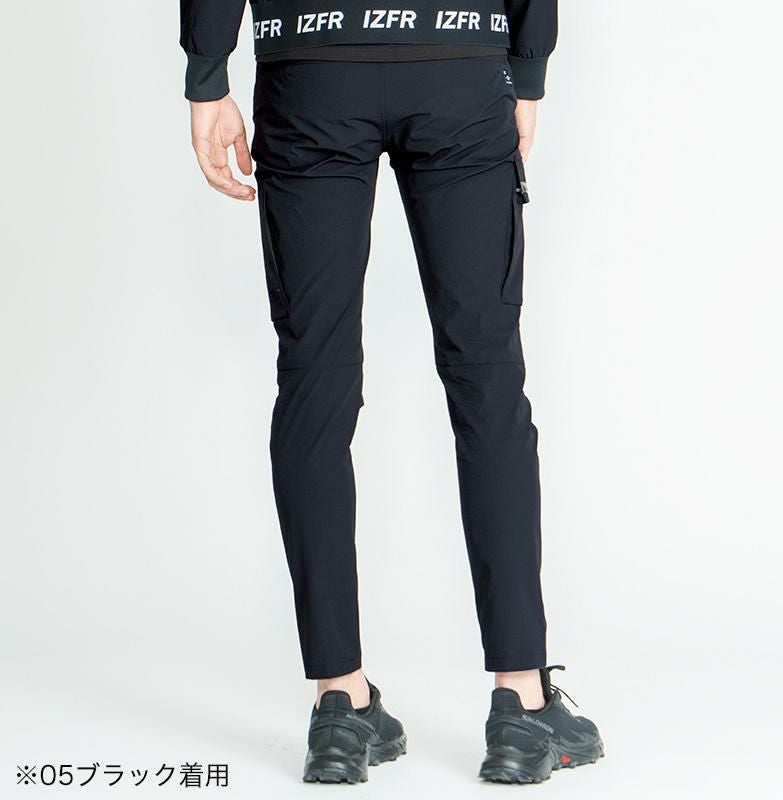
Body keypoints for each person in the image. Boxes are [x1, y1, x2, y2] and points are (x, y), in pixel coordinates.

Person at [179, 0, 604, 784]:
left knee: (314, 379)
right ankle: (521, 701)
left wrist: (208, 74)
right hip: (458, 57)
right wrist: (529, 67)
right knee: (487, 378)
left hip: (311, 62)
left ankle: (339, 703)